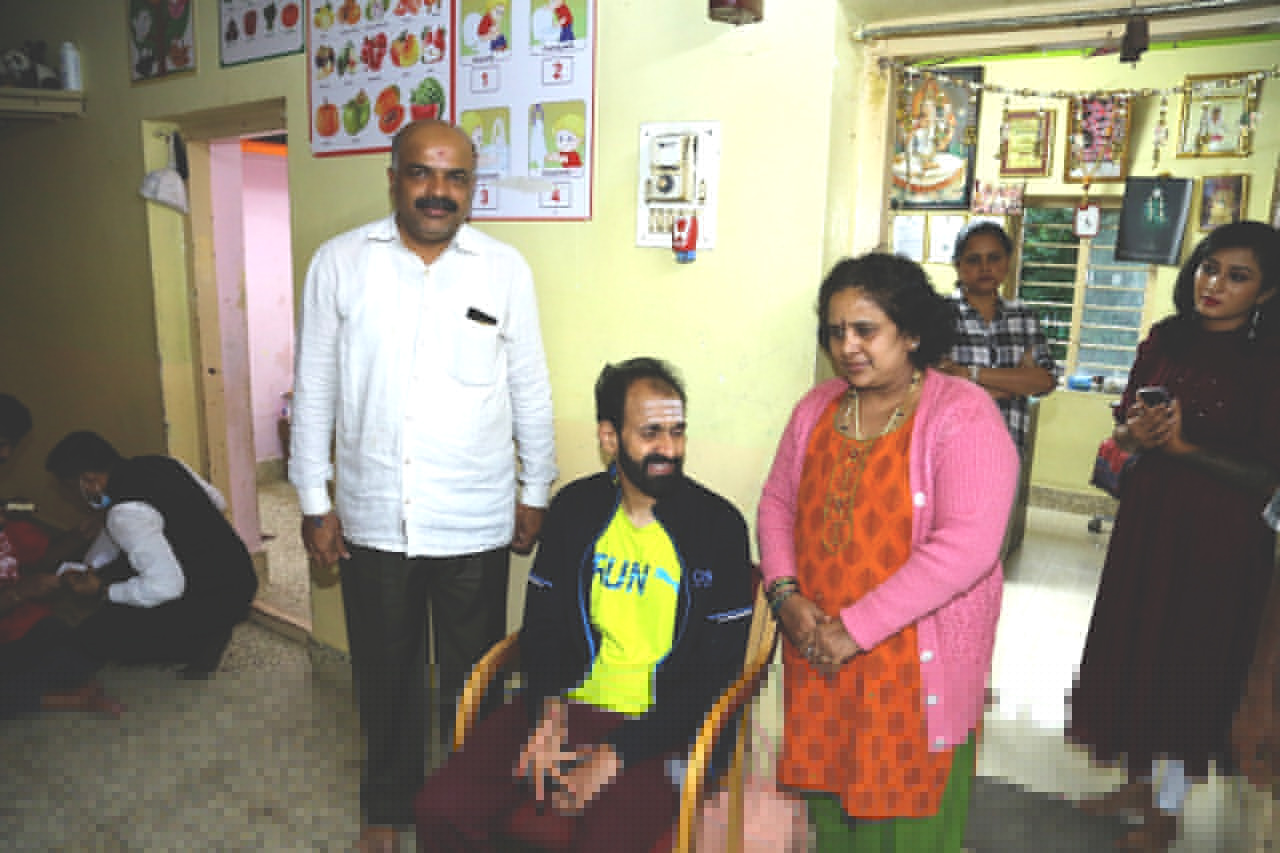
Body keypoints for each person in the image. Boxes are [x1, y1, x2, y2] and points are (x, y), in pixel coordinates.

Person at [289, 118, 556, 850]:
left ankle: (471, 801)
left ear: (472, 187)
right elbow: (314, 388)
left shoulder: (503, 270)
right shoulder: (340, 264)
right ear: (393, 178)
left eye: (455, 177)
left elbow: (529, 384)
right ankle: (388, 803)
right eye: (422, 172)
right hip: (375, 515)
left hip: (475, 515)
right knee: (386, 674)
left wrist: (536, 486)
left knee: (476, 681)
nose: (439, 190)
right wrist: (313, 500)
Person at [414, 357, 753, 853]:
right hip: (567, 704)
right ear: (609, 437)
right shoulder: (576, 509)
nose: (669, 448)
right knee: (440, 809)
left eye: (677, 431)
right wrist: (547, 712)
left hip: (661, 727)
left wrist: (615, 755)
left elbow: (715, 675)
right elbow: (542, 628)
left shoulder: (717, 526)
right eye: (651, 433)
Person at [758, 253, 1018, 851]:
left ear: (912, 333)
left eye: (865, 329)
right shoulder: (817, 408)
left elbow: (968, 547)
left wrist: (857, 628)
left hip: (910, 670)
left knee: (908, 826)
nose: (847, 346)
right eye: (835, 331)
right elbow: (776, 503)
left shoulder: (963, 415)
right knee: (831, 811)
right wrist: (785, 594)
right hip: (821, 653)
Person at [1068, 221, 1280, 851]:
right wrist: (1136, 434)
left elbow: (1268, 473)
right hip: (1150, 520)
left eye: (1238, 276)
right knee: (1138, 647)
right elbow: (1124, 429)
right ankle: (1139, 783)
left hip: (1222, 537)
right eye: (1209, 267)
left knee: (1192, 664)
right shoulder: (1167, 337)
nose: (1214, 284)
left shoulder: (1268, 361)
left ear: (1267, 292)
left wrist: (1186, 450)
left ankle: (1168, 811)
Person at [44, 431, 258, 679]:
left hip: (213, 599)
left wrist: (103, 589)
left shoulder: (124, 513)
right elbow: (218, 502)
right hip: (240, 577)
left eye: (70, 489)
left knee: (94, 637)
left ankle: (197, 642)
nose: (70, 497)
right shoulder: (162, 463)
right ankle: (209, 623)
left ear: (89, 481)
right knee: (129, 568)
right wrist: (92, 561)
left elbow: (166, 587)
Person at [0, 398, 121, 718]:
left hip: (19, 629)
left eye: (11, 445)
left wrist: (82, 533)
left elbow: (41, 558)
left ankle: (36, 688)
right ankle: (69, 700)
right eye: (1, 443)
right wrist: (18, 593)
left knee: (85, 649)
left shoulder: (8, 514)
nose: (6, 454)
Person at [937, 220, 1058, 456]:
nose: (985, 267)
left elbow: (1044, 382)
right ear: (958, 265)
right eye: (974, 260)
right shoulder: (938, 315)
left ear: (1008, 262)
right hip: (950, 451)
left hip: (1008, 451)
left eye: (994, 258)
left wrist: (969, 374)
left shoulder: (1024, 317)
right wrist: (1013, 384)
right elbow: (930, 385)